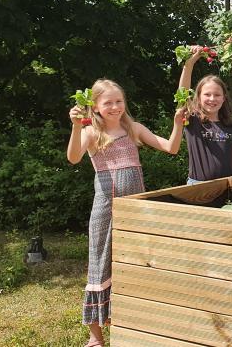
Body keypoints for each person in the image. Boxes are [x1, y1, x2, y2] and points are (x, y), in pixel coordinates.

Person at [66, 79, 184, 347]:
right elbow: (73, 158)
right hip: (106, 209)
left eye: (119, 101)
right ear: (95, 106)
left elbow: (171, 147)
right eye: (108, 102)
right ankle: (95, 337)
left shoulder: (134, 129)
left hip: (135, 209)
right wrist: (76, 126)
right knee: (100, 265)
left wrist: (178, 123)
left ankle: (134, 324)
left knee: (134, 262)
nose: (115, 107)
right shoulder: (91, 132)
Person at [179, 47, 232, 184]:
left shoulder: (231, 125)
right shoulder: (192, 119)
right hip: (198, 186)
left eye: (217, 95)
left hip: (229, 185)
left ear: (224, 98)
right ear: (198, 97)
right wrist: (189, 64)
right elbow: (182, 95)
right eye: (207, 94)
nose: (212, 99)